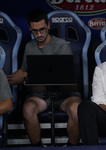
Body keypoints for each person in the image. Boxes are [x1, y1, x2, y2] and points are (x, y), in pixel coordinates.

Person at [7, 9, 81, 146]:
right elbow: (24, 71)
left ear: (48, 26)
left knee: (76, 109)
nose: (39, 34)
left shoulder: (61, 45)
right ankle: (38, 147)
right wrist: (9, 79)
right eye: (35, 31)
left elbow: (58, 75)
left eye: (42, 29)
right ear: (29, 28)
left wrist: (27, 76)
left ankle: (72, 146)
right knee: (28, 108)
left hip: (64, 94)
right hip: (40, 94)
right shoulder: (29, 47)